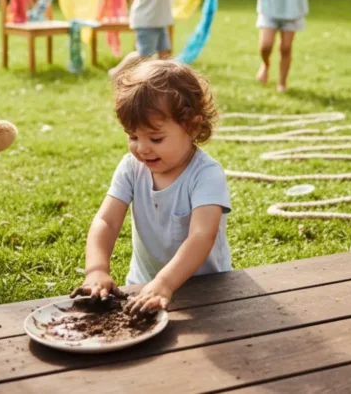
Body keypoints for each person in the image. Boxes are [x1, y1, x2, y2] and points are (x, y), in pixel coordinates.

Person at [72, 60, 232, 314]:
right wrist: (97, 270)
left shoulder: (206, 175)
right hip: (144, 288)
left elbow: (201, 236)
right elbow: (107, 221)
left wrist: (165, 284)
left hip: (206, 292)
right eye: (132, 136)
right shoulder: (131, 168)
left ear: (192, 126)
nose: (142, 148)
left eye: (155, 138)